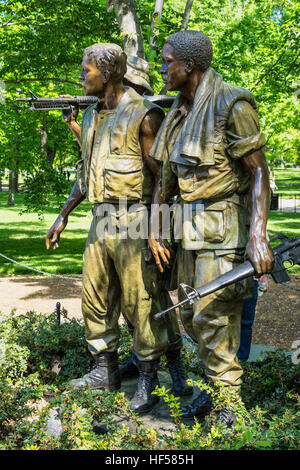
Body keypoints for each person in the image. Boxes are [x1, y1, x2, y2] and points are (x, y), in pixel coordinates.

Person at [45, 42, 188, 414]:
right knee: (95, 296)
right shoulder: (92, 117)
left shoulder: (145, 116)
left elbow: (163, 179)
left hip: (136, 219)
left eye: (85, 70)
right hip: (100, 219)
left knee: (140, 301)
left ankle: (148, 379)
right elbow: (86, 171)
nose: (80, 76)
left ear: (107, 73)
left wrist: (157, 230)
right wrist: (63, 214)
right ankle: (104, 370)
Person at [148, 30, 274, 423]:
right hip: (187, 231)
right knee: (190, 314)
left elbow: (259, 175)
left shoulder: (231, 103)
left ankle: (231, 410)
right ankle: (216, 391)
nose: (163, 68)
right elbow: (164, 180)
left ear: (189, 65)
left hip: (222, 230)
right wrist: (155, 227)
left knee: (213, 315)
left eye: (168, 62)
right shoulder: (178, 112)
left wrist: (258, 236)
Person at [237, 275, 269, 362]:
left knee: (246, 322)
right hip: (225, 279)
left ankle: (241, 360)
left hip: (249, 280)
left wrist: (262, 275)